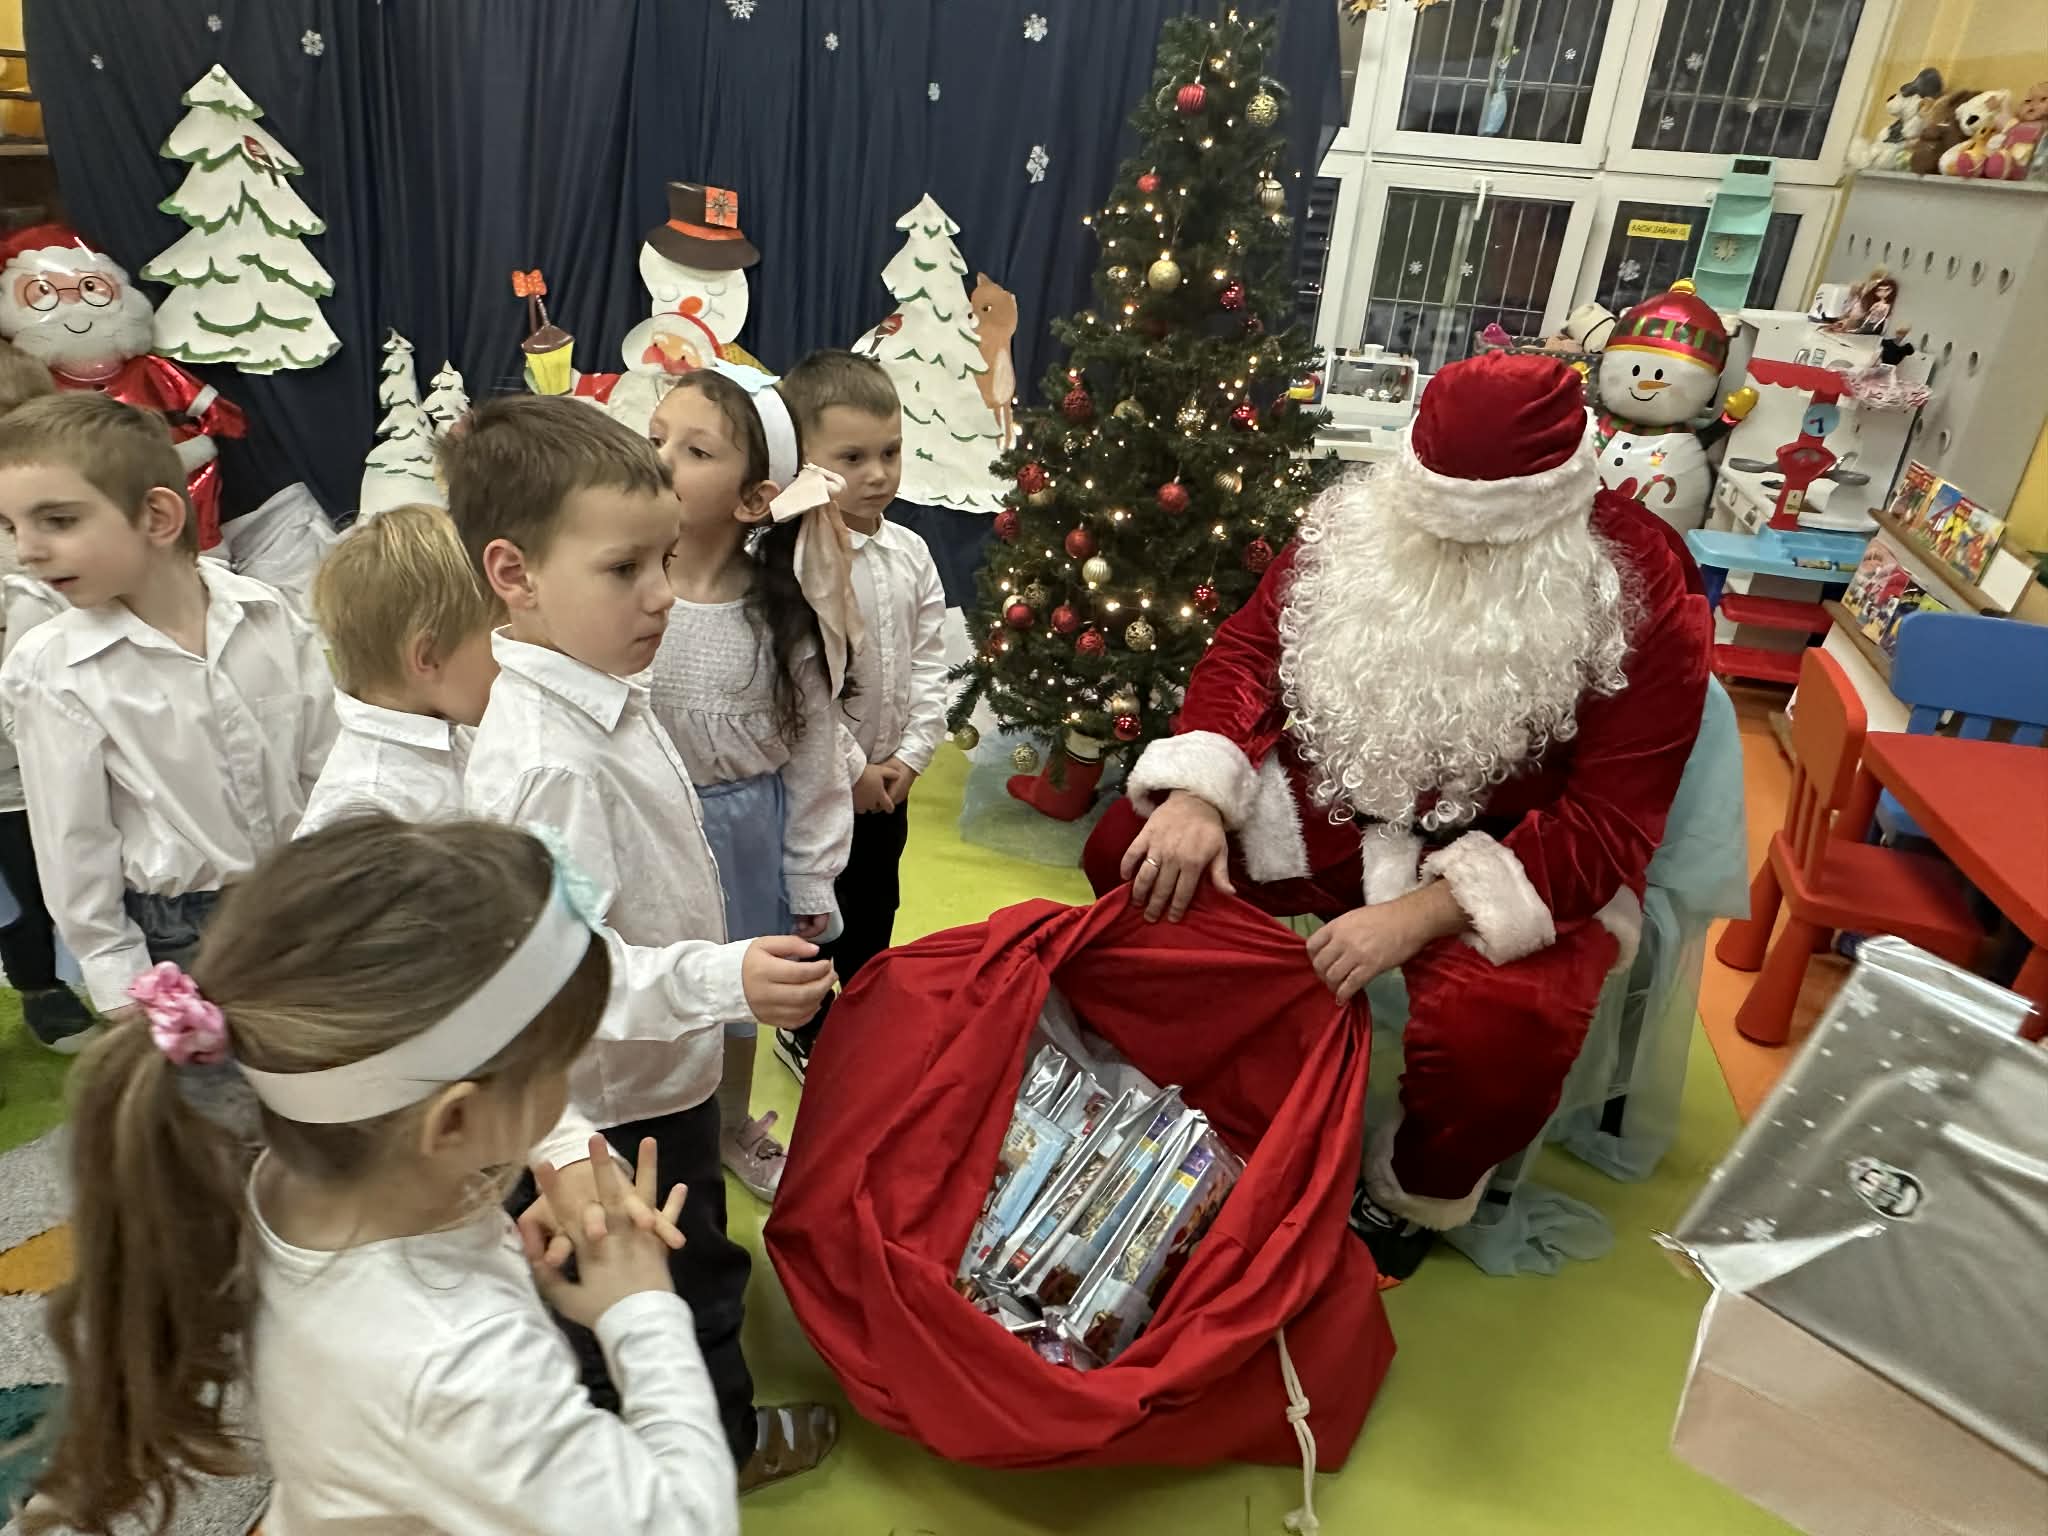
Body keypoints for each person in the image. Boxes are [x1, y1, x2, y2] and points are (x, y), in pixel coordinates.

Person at [1083, 351, 1712, 1281]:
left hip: (1513, 848)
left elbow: (1611, 823)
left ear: (1550, 501)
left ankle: (1410, 1190)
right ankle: (1214, 1077)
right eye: (1435, 518)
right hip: (1338, 797)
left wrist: (1418, 915)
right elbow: (1250, 651)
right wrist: (1197, 791)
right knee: (1132, 858)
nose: (1454, 548)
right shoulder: (1357, 516)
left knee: (1505, 1036)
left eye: (1485, 534)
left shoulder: (1644, 576)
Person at [22, 815, 741, 1536]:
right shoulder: (459, 1366)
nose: (567, 1087)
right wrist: (641, 1310)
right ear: (452, 1123)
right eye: (561, 1066)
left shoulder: (282, 1162)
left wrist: (542, 1166)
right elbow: (684, 1523)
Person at [446, 395, 838, 1491]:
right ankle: (709, 1456)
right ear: (515, 574)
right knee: (679, 1282)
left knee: (675, 1260)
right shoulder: (549, 764)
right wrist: (724, 976)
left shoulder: (596, 692)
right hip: (614, 1105)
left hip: (650, 1076)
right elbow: (559, 982)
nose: (662, 594)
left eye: (664, 559)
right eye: (625, 569)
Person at [0, 392, 336, 1025]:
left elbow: (326, 764)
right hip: (181, 935)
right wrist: (117, 976)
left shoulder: (266, 613)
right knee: (219, 1081)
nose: (27, 552)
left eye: (57, 521)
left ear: (156, 515)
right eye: (11, 527)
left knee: (321, 1061)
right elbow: (74, 840)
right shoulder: (54, 668)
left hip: (303, 896)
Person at [646, 365, 855, 1201]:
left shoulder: (782, 618)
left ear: (754, 498)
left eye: (695, 451)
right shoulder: (623, 589)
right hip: (643, 828)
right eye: (656, 438)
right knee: (652, 985)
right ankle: (642, 1123)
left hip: (740, 840)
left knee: (735, 999)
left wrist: (811, 876)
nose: (661, 460)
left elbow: (814, 759)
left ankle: (729, 1125)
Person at [770, 350, 946, 1084]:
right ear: (802, 460)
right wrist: (853, 770)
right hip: (815, 794)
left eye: (890, 452)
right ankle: (806, 1025)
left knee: (875, 908)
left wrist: (910, 758)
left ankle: (866, 1010)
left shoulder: (912, 553)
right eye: (852, 458)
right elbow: (799, 690)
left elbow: (930, 662)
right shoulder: (788, 564)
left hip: (887, 792)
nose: (878, 474)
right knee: (814, 913)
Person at [299, 503, 500, 834]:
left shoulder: (455, 726)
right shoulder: (366, 812)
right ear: (429, 655)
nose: (509, 659)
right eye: (497, 645)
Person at [0, 341, 92, 1053]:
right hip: (8, 776)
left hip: (64, 755)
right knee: (20, 896)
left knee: (69, 867)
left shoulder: (58, 527)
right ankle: (38, 986)